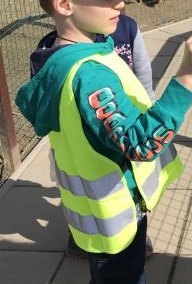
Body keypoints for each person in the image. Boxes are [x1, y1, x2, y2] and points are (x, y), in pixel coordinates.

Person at [15, 0, 192, 283]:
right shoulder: (89, 75)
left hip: (95, 213)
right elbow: (140, 145)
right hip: (116, 213)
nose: (121, 2)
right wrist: (188, 75)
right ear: (65, 4)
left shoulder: (54, 50)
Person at [35, 13, 157, 260]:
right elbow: (42, 106)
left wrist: (150, 109)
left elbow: (142, 73)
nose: (119, 1)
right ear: (65, 4)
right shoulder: (50, 52)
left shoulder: (126, 28)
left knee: (122, 191)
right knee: (85, 195)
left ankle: (130, 235)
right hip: (81, 144)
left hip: (122, 127)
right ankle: (89, 241)